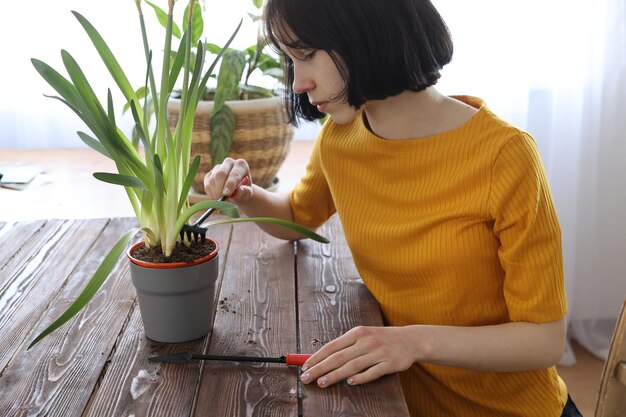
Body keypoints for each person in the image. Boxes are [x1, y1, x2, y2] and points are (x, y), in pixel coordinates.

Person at [203, 0, 582, 415]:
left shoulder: (504, 157)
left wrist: (411, 341)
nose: (297, 82)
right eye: (291, 61)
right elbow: (297, 218)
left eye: (306, 56)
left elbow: (544, 339)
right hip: (398, 401)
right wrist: (247, 194)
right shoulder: (340, 139)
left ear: (366, 30)